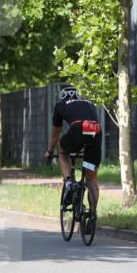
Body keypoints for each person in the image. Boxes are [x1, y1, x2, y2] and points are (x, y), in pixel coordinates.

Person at [44, 84, 101, 215]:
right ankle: (92, 216)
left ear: (62, 96)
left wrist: (50, 151)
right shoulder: (89, 103)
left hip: (78, 129)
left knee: (63, 152)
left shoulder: (60, 105)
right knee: (92, 179)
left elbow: (55, 135)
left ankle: (69, 182)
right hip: (96, 131)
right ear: (77, 94)